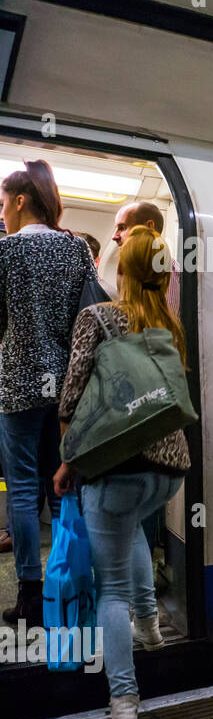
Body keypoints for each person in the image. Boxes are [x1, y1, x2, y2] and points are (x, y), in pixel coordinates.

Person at [53, 225, 191, 719]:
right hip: (170, 472)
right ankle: (151, 627)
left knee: (110, 589)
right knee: (132, 527)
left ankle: (124, 703)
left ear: (122, 271)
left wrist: (69, 462)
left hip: (117, 470)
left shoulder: (98, 317)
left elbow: (69, 401)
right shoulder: (170, 327)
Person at [0, 160, 95, 625]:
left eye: (3, 204)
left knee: (21, 489)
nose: (2, 214)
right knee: (61, 486)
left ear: (20, 201)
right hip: (65, 387)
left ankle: (30, 599)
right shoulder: (77, 249)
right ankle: (65, 589)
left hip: (17, 383)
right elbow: (87, 317)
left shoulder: (5, 252)